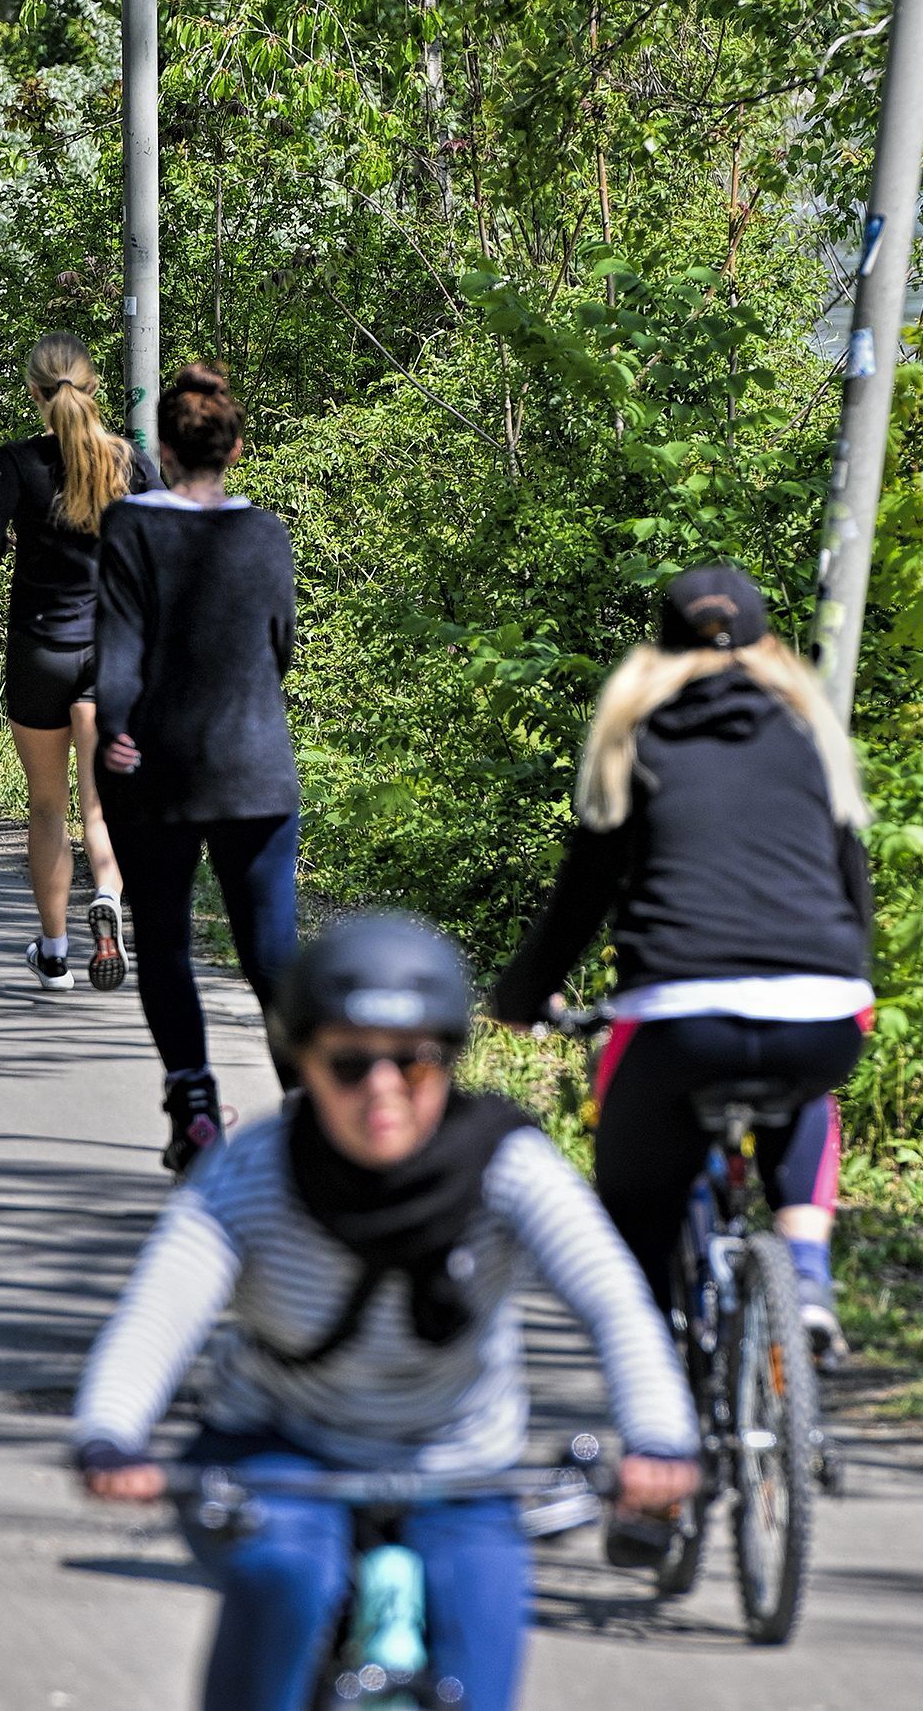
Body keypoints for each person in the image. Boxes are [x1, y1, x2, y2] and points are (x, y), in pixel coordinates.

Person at [75, 914, 699, 1711]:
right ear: (302, 1059)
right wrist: (110, 1433)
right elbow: (159, 1313)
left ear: (446, 1064)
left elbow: (614, 1299)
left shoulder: (506, 1163)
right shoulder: (255, 1172)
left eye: (413, 1063)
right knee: (285, 1576)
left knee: (484, 1638)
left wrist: (658, 1437)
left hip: (462, 1462)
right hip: (282, 1451)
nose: (382, 1090)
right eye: (349, 1062)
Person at [491, 565, 874, 1361]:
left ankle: (656, 1377)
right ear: (768, 644)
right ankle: (806, 1276)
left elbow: (581, 898)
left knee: (634, 1219)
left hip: (677, 1018)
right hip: (823, 1004)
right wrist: (845, 984)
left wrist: (522, 998)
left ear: (658, 649)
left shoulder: (638, 736)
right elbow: (852, 883)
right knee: (803, 1085)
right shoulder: (812, 732)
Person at [93, 362, 300, 1172]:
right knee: (272, 954)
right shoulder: (266, 532)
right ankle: (310, 1113)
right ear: (237, 448)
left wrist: (116, 729)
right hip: (256, 766)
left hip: (159, 770)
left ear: (164, 453)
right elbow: (280, 647)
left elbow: (118, 652)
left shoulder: (130, 527)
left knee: (169, 942)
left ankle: (196, 1107)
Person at [0, 334, 160, 993]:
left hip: (41, 648)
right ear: (94, 386)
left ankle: (53, 953)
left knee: (47, 809)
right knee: (103, 808)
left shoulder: (18, 462)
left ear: (34, 392)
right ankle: (106, 897)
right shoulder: (129, 463)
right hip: (113, 653)